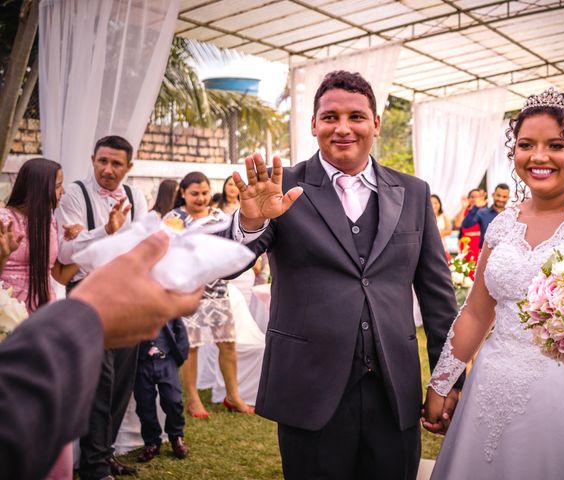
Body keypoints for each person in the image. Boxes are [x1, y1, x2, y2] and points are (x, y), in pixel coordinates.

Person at [231, 70, 460, 479]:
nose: (343, 128)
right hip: (309, 387)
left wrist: (448, 381)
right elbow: (231, 262)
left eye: (356, 116)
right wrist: (250, 224)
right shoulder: (281, 187)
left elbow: (437, 296)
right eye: (330, 116)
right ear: (314, 124)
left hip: (394, 389)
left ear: (375, 123)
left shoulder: (414, 192)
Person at [424, 87, 564, 479]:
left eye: (556, 145)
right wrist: (441, 384)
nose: (538, 156)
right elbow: (475, 312)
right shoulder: (504, 222)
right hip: (493, 384)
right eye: (526, 144)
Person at [0, 232, 202, 480]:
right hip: (74, 297)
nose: (59, 193)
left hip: (96, 303)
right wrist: (88, 314)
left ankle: (104, 456)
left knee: (118, 389)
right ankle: (95, 464)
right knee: (101, 391)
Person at [56, 135, 148, 480]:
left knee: (123, 379)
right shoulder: (74, 195)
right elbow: (68, 254)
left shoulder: (136, 197)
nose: (108, 170)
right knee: (99, 380)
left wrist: (92, 236)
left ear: (129, 167)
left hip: (127, 294)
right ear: (93, 158)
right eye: (102, 161)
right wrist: (105, 232)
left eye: (116, 164)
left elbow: (140, 244)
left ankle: (105, 454)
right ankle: (94, 465)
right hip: (89, 293)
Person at [0, 158, 83, 480]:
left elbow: (59, 275)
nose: (62, 191)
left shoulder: (48, 223)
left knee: (41, 398)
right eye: (59, 184)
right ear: (41, 186)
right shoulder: (5, 219)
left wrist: (79, 247)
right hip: (10, 315)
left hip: (44, 317)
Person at [165, 171, 254, 416]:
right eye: (195, 193)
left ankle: (233, 395)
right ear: (183, 193)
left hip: (217, 289)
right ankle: (193, 399)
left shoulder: (218, 216)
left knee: (227, 343)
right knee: (191, 346)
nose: (201, 198)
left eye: (205, 193)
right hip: (189, 291)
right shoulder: (174, 218)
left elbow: (231, 245)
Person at [134, 318, 189, 462]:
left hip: (166, 359)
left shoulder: (168, 304)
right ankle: (151, 442)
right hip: (142, 361)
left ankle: (176, 436)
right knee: (144, 404)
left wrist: (180, 356)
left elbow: (180, 329)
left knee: (174, 400)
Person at [460, 183, 510, 248]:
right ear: (493, 195)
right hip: (485, 254)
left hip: (505, 254)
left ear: (508, 198)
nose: (500, 199)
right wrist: (476, 207)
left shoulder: (510, 215)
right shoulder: (483, 212)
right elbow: (465, 225)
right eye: (498, 195)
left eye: (504, 197)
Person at [453, 189, 482, 263]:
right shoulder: (464, 211)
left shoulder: (483, 211)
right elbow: (458, 224)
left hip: (479, 242)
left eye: (477, 197)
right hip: (466, 242)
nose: (474, 199)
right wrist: (463, 207)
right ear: (468, 199)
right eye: (472, 197)